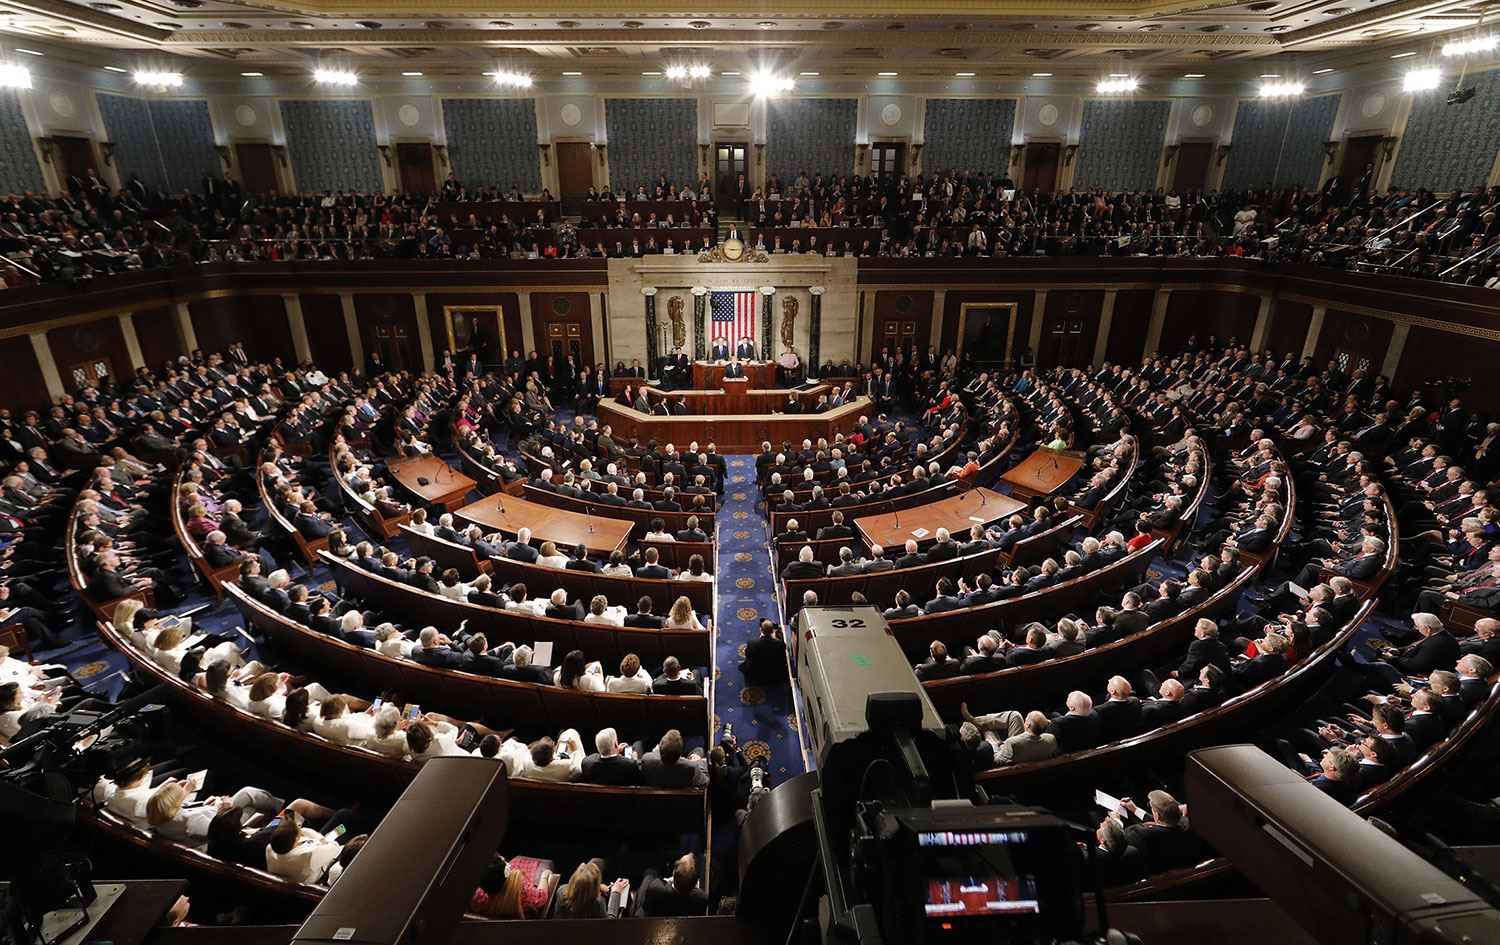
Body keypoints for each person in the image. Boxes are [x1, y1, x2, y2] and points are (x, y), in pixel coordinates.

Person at [637, 853, 709, 917]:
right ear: (696, 882)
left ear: (673, 872)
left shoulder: (656, 888)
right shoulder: (702, 898)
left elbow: (646, 908)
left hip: (646, 920)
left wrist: (667, 880)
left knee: (650, 872)